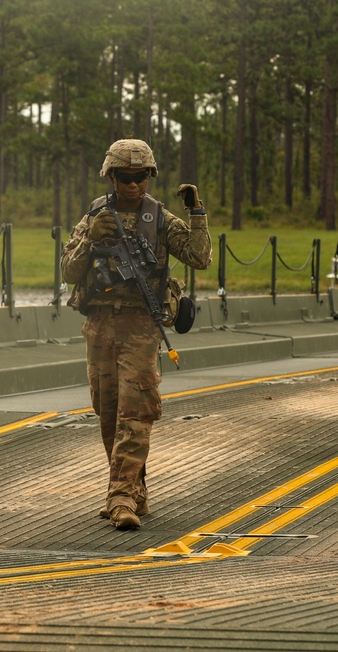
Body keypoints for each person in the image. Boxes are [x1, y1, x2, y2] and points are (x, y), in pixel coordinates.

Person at [61, 138, 212, 530]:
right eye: (125, 178)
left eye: (140, 177)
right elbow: (68, 272)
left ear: (150, 176)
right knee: (108, 412)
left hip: (141, 327)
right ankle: (134, 489)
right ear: (111, 176)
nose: (132, 185)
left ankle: (120, 496)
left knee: (136, 411)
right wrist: (91, 239)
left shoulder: (158, 219)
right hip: (99, 325)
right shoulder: (95, 215)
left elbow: (199, 258)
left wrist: (196, 212)